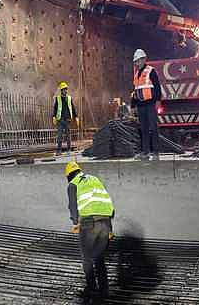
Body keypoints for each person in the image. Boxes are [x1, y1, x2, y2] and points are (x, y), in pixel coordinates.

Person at [65, 161, 114, 299]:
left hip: (88, 223)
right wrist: (109, 227)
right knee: (99, 258)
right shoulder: (95, 179)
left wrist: (75, 222)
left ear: (69, 175)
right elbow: (105, 200)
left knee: (87, 259)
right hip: (105, 221)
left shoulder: (73, 184)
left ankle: (91, 289)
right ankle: (104, 291)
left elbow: (73, 207)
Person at [131, 49, 162, 161]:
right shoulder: (136, 74)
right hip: (140, 106)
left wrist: (158, 101)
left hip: (150, 104)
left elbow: (157, 87)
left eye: (138, 61)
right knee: (143, 129)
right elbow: (135, 91)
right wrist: (133, 106)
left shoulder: (151, 71)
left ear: (144, 60)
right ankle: (145, 151)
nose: (136, 63)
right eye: (135, 62)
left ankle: (156, 151)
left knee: (153, 128)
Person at [53, 81, 79, 155]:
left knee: (68, 136)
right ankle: (59, 150)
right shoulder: (58, 98)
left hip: (67, 120)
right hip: (60, 120)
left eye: (66, 89)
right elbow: (55, 108)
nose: (65, 91)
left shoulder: (69, 98)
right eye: (64, 89)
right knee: (60, 135)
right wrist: (54, 116)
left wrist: (76, 117)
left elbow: (73, 108)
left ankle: (68, 150)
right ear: (61, 91)